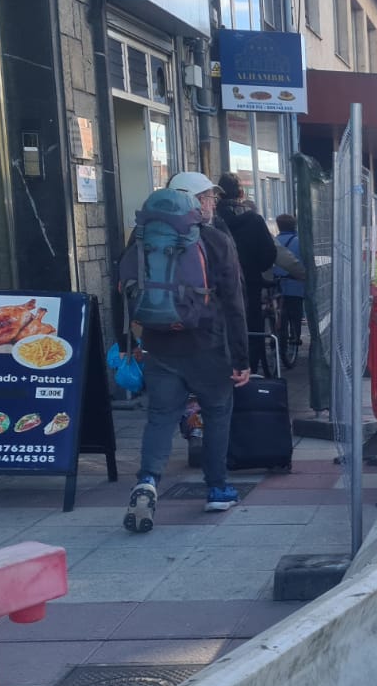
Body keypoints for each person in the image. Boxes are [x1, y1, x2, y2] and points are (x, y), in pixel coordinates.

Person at [124, 172, 250, 532]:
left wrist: (132, 340)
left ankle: (147, 480)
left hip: (158, 342)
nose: (212, 203)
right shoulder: (215, 240)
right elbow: (234, 303)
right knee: (217, 413)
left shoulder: (142, 236)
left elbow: (128, 284)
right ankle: (217, 488)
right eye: (208, 197)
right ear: (192, 200)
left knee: (161, 416)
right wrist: (241, 358)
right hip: (207, 344)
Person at [214, 173, 278, 374]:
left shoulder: (212, 220)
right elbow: (269, 253)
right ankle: (251, 368)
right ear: (241, 193)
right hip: (250, 282)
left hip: (217, 286)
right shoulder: (254, 220)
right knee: (252, 325)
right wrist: (256, 268)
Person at [274, 214, 305, 346]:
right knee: (296, 311)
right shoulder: (300, 242)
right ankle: (296, 336)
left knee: (279, 312)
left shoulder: (273, 240)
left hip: (276, 284)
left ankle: (277, 335)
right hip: (295, 284)